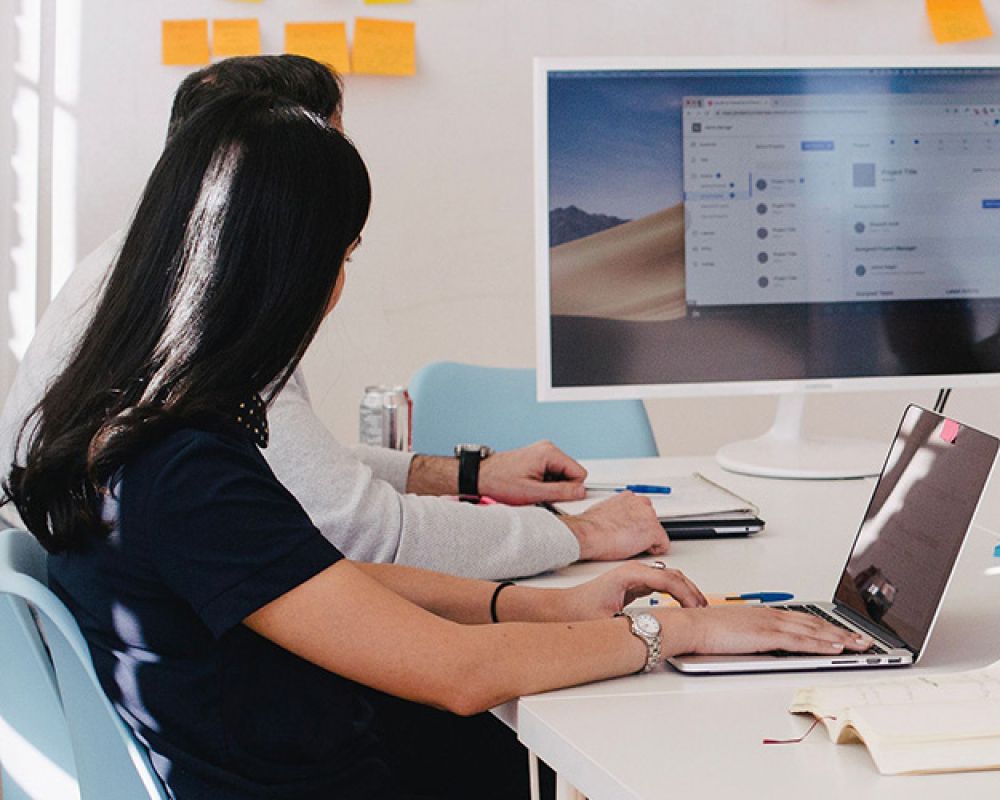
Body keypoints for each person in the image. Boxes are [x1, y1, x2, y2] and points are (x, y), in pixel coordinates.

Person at [6, 92, 872, 799]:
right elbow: (456, 674)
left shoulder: (132, 424)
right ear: (283, 271)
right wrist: (673, 634)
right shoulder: (183, 469)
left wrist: (554, 606)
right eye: (342, 256)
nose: (338, 288)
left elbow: (318, 580)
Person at [0, 55, 665, 581]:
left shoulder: (136, 273)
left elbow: (281, 469)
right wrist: (579, 536)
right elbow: (366, 535)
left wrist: (469, 476)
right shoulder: (204, 321)